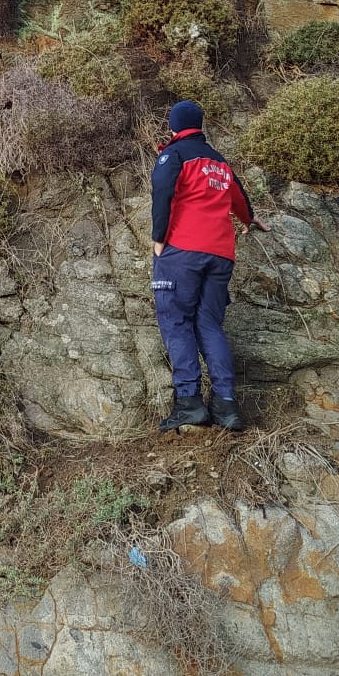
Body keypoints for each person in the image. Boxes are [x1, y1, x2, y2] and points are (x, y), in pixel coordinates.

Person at [149, 99, 266, 432]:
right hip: (221, 254)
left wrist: (159, 238)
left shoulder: (174, 154)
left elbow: (162, 192)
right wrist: (249, 219)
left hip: (183, 250)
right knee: (209, 324)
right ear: (200, 126)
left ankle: (189, 403)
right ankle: (226, 405)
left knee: (176, 321)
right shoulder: (219, 160)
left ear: (174, 126)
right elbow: (239, 198)